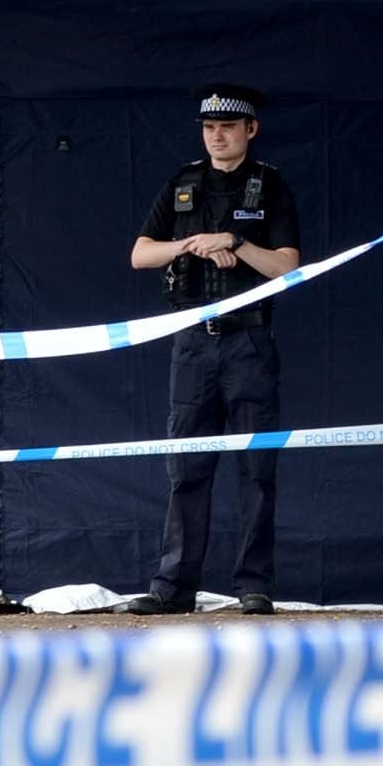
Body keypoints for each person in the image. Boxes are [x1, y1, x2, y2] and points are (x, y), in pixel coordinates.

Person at [126, 84, 301, 615]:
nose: (217, 135)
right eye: (209, 127)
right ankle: (172, 587)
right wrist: (192, 243)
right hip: (192, 346)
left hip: (248, 341)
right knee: (187, 470)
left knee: (256, 472)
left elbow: (289, 267)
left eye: (227, 126)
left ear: (251, 129)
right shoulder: (182, 183)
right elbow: (140, 255)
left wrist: (237, 243)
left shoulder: (269, 186)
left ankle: (254, 586)